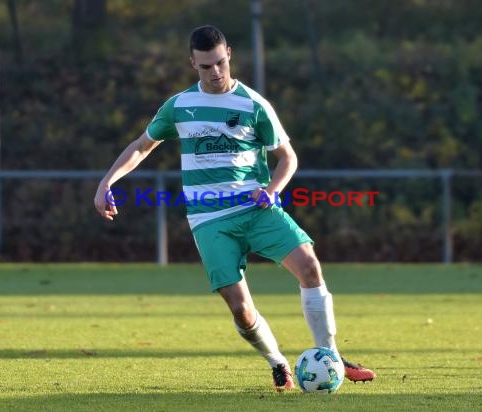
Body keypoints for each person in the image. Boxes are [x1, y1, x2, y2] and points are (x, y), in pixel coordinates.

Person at [94, 24, 375, 390]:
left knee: (309, 265)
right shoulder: (179, 106)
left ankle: (331, 356)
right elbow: (142, 145)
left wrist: (273, 190)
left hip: (257, 209)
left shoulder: (254, 105)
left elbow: (287, 158)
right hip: (209, 221)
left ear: (230, 55)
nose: (215, 72)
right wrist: (106, 182)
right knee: (241, 311)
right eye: (205, 66)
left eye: (220, 63)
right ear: (192, 63)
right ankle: (277, 362)